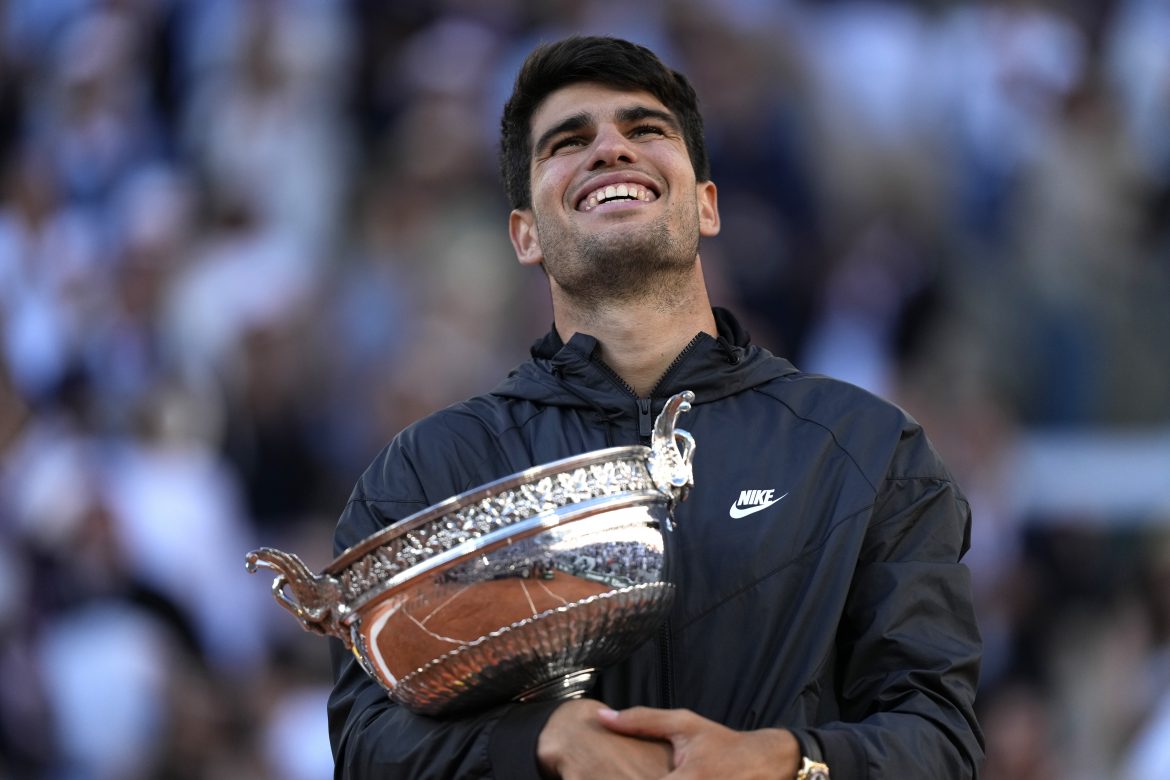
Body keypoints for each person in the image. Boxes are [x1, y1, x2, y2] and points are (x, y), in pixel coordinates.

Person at [327, 35, 983, 779]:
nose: (610, 150)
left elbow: (940, 739)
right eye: (568, 143)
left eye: (645, 130)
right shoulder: (428, 469)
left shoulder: (866, 450)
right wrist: (537, 743)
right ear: (524, 234)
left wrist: (780, 761)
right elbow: (368, 745)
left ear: (706, 205)